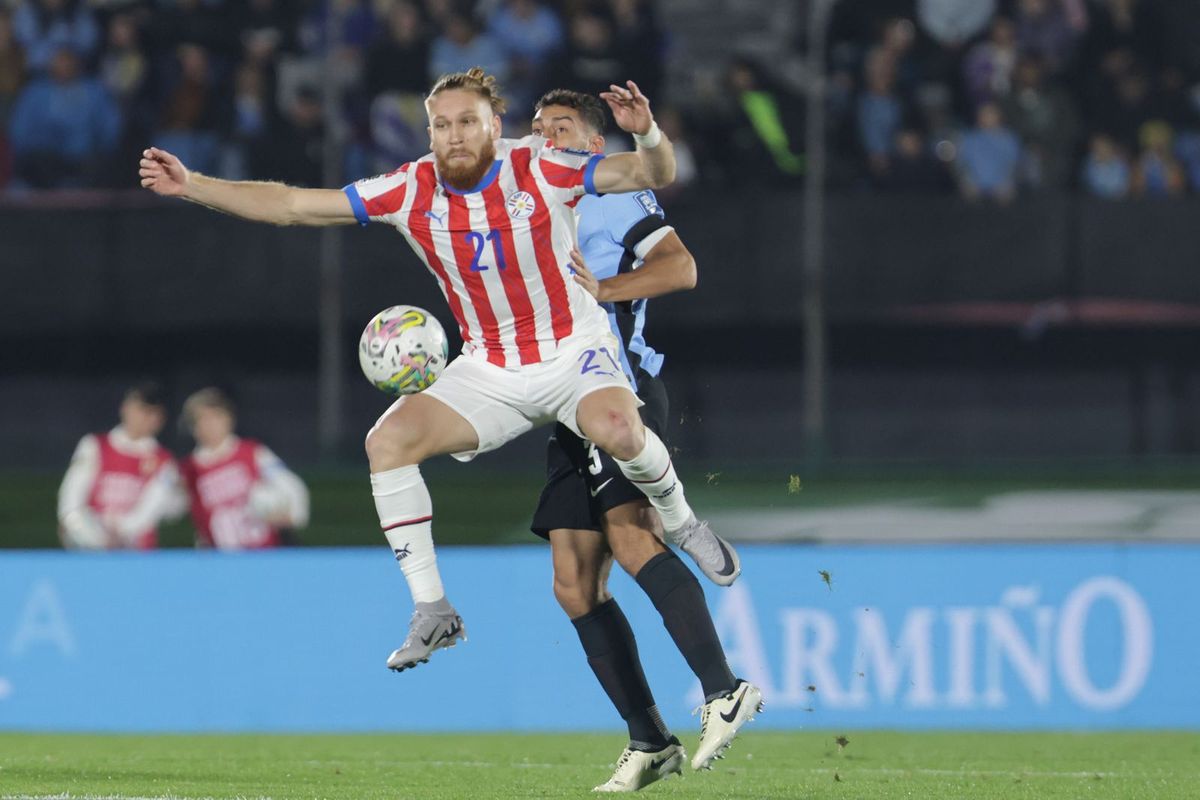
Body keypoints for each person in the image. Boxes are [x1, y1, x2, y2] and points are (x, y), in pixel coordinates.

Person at [138, 68, 733, 682]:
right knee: (387, 443)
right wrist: (193, 186)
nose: (453, 135)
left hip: (571, 351)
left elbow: (650, 174)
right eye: (441, 125)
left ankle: (683, 521)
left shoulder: (540, 165)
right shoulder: (410, 187)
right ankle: (433, 609)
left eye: (467, 122)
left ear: (494, 127)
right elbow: (294, 206)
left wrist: (650, 136)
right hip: (490, 366)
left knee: (619, 429)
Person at [529, 88, 758, 790]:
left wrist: (603, 288)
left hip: (617, 396)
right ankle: (649, 739)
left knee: (632, 541)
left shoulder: (611, 197)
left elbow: (681, 267)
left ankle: (725, 689)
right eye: (536, 130)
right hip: (563, 410)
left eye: (560, 129)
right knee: (572, 583)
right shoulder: (527, 207)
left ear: (593, 147)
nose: (542, 140)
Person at [179, 387, 310, 550]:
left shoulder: (253, 453)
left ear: (229, 419)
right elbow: (170, 506)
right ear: (193, 426)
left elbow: (290, 484)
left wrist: (293, 516)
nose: (210, 425)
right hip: (219, 559)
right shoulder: (188, 469)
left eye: (216, 417)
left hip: (265, 553)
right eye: (202, 419)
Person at [57, 382, 183, 550]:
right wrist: (95, 537)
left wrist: (119, 533)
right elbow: (71, 501)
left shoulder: (163, 461)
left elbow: (151, 512)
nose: (145, 417)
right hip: (91, 550)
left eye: (153, 413)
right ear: (125, 408)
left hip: (138, 554)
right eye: (141, 409)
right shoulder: (95, 446)